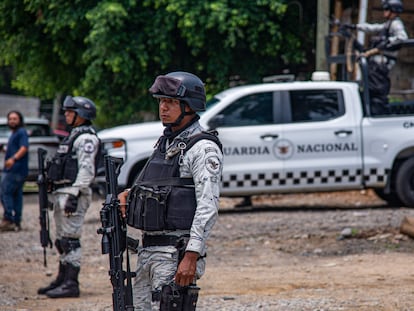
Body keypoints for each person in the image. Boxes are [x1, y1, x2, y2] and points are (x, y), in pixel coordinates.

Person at [118, 71, 223, 310]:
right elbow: (157, 184)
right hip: (149, 249)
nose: (163, 108)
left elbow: (208, 205)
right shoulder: (166, 142)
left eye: (171, 102)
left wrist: (192, 255)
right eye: (161, 101)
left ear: (190, 106)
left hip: (175, 253)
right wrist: (129, 195)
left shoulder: (202, 148)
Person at [37, 95, 100, 298]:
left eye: (70, 112)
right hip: (63, 192)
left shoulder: (86, 138)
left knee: (70, 240)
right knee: (61, 239)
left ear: (82, 115)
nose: (66, 115)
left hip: (74, 193)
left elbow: (86, 169)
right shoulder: (73, 136)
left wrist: (75, 193)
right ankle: (62, 278)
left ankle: (71, 283)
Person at [355, 0, 408, 114]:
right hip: (379, 61)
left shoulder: (396, 24)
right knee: (369, 80)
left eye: (387, 9)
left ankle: (377, 108)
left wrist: (387, 41)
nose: (384, 12)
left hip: (384, 62)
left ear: (393, 11)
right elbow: (374, 28)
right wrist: (356, 27)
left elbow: (402, 37)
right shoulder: (388, 24)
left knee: (376, 86)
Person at [0, 111, 29, 232]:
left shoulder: (21, 132)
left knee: (5, 192)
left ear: (20, 120)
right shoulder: (15, 133)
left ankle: (8, 219)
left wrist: (13, 159)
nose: (12, 121)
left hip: (15, 169)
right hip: (16, 169)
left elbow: (24, 148)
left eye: (15, 119)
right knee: (17, 195)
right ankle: (16, 221)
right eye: (10, 119)